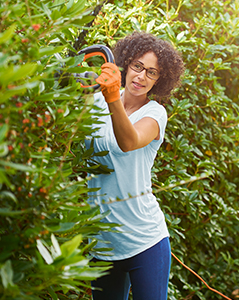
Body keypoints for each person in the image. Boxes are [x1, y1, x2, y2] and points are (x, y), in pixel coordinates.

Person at [86, 31, 184, 300]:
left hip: (145, 239)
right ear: (126, 64)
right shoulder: (95, 100)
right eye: (137, 66)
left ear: (159, 80)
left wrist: (112, 98)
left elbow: (128, 141)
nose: (141, 77)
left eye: (151, 72)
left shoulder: (154, 114)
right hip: (103, 242)